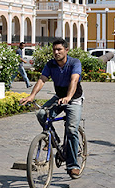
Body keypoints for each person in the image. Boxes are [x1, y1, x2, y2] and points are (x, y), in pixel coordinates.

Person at [20, 38, 84, 178]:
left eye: (59, 49)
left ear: (66, 50)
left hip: (73, 99)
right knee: (42, 113)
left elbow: (74, 80)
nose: (56, 52)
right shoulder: (51, 64)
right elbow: (42, 79)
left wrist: (68, 97)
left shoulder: (74, 63)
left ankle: (73, 165)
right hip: (59, 97)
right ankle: (53, 140)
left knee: (71, 129)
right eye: (54, 50)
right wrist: (31, 96)